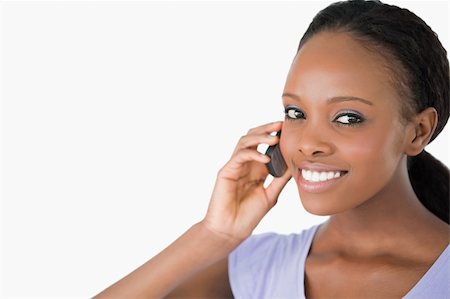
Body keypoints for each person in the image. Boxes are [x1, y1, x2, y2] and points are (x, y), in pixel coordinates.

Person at [94, 0, 449, 297]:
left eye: (347, 117)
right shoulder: (256, 267)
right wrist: (213, 235)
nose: (308, 144)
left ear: (417, 132)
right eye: (296, 112)